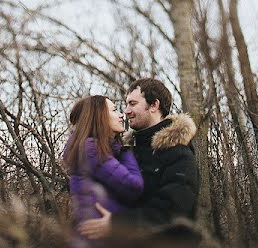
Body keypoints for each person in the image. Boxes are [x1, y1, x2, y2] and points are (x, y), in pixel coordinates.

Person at [78, 78, 200, 245]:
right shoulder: (126, 152)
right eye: (126, 104)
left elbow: (173, 210)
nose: (126, 110)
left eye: (132, 103)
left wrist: (118, 224)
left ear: (154, 105)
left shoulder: (179, 154)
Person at [64, 95, 144, 248]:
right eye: (114, 110)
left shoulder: (94, 148)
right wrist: (126, 149)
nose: (121, 115)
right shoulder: (91, 149)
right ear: (98, 116)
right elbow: (133, 186)